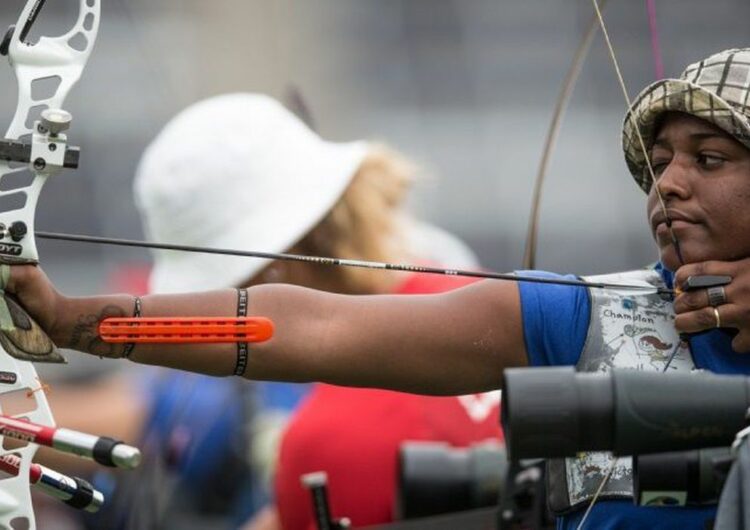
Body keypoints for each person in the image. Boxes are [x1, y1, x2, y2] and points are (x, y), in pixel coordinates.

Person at [9, 47, 750, 529]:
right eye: (659, 161)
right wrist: (77, 322)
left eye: (710, 159)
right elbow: (305, 328)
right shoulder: (585, 316)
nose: (670, 183)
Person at [131, 93, 500, 529]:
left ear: (276, 268)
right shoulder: (492, 301)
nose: (215, 321)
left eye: (226, 295)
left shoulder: (322, 445)